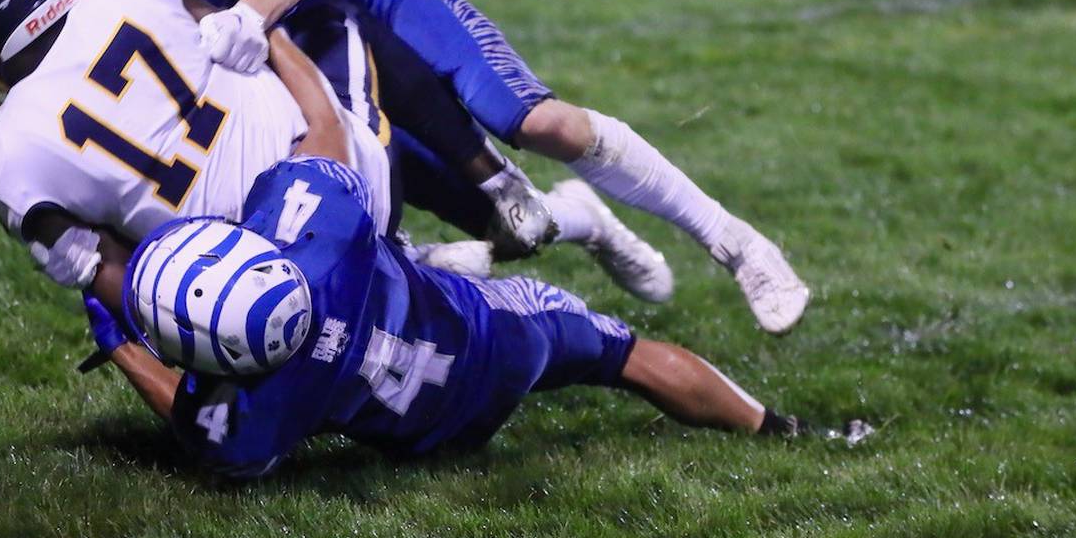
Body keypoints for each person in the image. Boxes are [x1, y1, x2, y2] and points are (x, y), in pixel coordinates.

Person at [0, 0, 808, 333]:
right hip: (287, 89)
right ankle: (574, 219)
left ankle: (735, 240)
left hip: (346, 7)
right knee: (444, 245)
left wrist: (247, 16)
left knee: (530, 117)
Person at [75, 87, 866, 481]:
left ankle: (435, 260)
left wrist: (115, 340)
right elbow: (321, 134)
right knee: (624, 356)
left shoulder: (253, 419)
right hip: (494, 343)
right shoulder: (323, 233)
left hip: (426, 439)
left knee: (340, 362)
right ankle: (778, 433)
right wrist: (279, 42)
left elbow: (188, 416)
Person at [0, 0, 666, 299]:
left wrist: (197, 392)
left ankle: (438, 245)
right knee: (330, 14)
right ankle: (489, 195)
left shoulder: (3, 161)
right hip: (345, 182)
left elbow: (117, 285)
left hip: (250, 290)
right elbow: (265, 13)